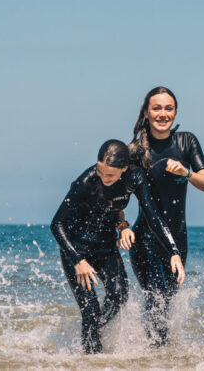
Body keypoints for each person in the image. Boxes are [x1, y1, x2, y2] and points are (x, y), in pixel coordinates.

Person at [51, 139, 185, 354]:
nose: (103, 178)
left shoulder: (135, 178)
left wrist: (173, 252)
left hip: (105, 248)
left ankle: (92, 335)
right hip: (76, 250)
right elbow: (56, 224)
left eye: (110, 175)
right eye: (100, 171)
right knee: (90, 309)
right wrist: (78, 260)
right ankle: (89, 356)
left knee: (119, 295)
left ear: (124, 169)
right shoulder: (86, 181)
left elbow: (153, 215)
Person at [126, 86, 204, 347]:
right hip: (145, 239)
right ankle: (155, 359)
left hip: (178, 239)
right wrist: (121, 224)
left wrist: (186, 173)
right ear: (146, 112)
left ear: (175, 112)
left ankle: (154, 357)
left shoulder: (187, 141)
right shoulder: (134, 151)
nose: (163, 114)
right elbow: (116, 194)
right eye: (157, 108)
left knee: (167, 303)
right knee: (157, 300)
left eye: (169, 108)